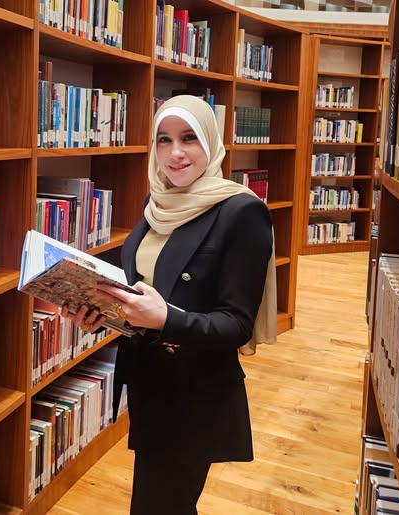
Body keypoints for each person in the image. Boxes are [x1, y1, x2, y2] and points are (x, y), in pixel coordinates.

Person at [61, 95, 277, 515]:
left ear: (211, 141)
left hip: (194, 395)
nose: (175, 153)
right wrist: (101, 313)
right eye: (164, 140)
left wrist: (167, 319)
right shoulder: (159, 202)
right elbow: (145, 291)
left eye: (189, 138)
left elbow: (236, 324)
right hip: (150, 385)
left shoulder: (241, 212)